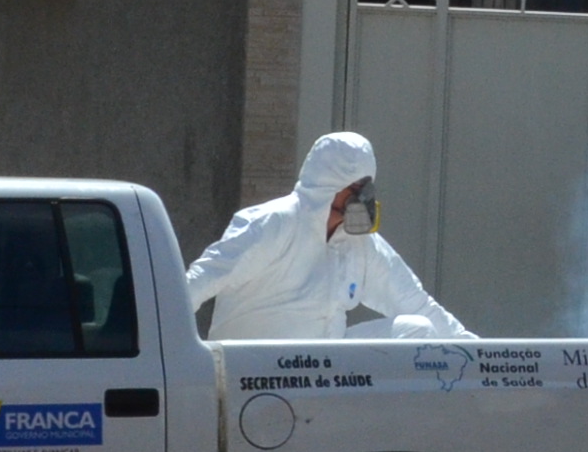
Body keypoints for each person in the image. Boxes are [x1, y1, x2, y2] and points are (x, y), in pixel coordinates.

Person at [186, 131, 469, 342]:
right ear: (330, 183)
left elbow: (416, 302)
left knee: (417, 331)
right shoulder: (272, 223)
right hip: (254, 372)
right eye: (356, 187)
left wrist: (483, 358)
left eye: (367, 187)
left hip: (322, 374)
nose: (364, 198)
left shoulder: (360, 244)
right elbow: (203, 279)